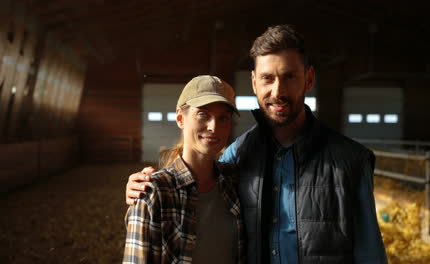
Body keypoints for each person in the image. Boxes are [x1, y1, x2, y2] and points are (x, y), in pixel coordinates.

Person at [126, 25, 387, 263]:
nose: (277, 91)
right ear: (253, 82)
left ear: (308, 79)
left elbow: (370, 255)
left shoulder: (351, 160)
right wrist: (146, 185)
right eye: (267, 78)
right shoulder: (237, 156)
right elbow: (196, 184)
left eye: (289, 77)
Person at [123, 75, 245, 264]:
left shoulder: (235, 182)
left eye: (223, 118)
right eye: (203, 114)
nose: (214, 127)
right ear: (180, 118)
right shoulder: (153, 193)